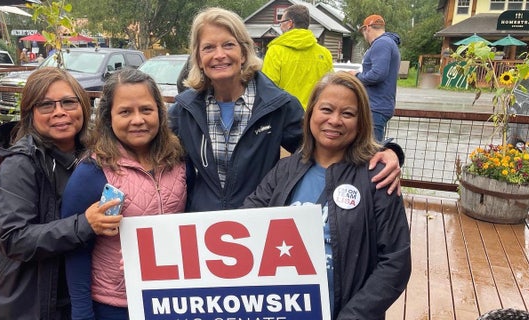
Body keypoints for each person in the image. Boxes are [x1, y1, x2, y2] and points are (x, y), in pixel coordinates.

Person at [169, 7, 402, 213]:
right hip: (203, 227)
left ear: (243, 52)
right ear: (198, 58)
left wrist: (388, 151)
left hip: (262, 219)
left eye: (228, 44)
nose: (219, 54)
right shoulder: (185, 109)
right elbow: (148, 147)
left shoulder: (277, 105)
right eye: (208, 47)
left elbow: (328, 142)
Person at [243, 72, 411, 319]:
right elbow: (245, 222)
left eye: (347, 113)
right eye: (326, 109)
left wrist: (352, 316)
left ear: (361, 121)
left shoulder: (377, 177)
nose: (335, 120)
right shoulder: (285, 170)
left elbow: (395, 262)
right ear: (310, 114)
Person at [0, 67, 121, 319]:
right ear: (30, 114)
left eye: (68, 102)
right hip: (27, 300)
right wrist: (84, 224)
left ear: (83, 107)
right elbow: (13, 238)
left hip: (78, 291)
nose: (59, 112)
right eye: (46, 105)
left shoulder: (95, 154)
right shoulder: (20, 164)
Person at [62, 68, 186, 319]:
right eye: (125, 112)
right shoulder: (92, 172)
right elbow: (76, 248)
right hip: (115, 304)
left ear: (160, 114)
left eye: (146, 110)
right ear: (109, 118)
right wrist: (82, 314)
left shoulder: (179, 161)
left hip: (170, 299)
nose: (138, 119)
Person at [262, 4, 334, 109]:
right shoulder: (324, 53)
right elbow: (330, 87)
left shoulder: (275, 51)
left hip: (285, 116)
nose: (280, 26)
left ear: (289, 23)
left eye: (281, 22)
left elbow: (267, 89)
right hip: (314, 115)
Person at [348, 14, 401, 143]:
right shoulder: (388, 43)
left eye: (363, 32)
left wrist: (356, 76)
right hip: (379, 106)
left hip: (375, 107)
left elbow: (378, 74)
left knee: (371, 150)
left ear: (367, 28)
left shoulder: (381, 43)